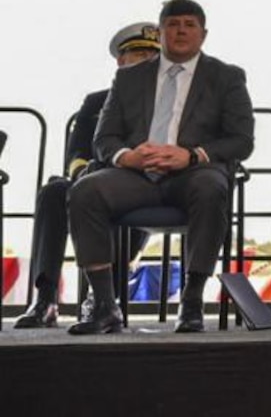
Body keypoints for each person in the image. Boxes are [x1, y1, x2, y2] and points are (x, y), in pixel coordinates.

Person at [66, 0, 255, 335]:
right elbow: (104, 138)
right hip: (137, 174)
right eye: (173, 24)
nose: (180, 30)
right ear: (161, 30)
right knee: (85, 191)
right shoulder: (129, 78)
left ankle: (192, 300)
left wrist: (192, 155)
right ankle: (105, 304)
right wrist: (127, 156)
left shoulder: (226, 77)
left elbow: (241, 140)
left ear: (203, 34)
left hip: (193, 172)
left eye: (189, 25)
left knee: (212, 188)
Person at [13, 22, 161, 328]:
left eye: (153, 55)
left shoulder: (168, 103)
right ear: (121, 60)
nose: (147, 61)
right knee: (53, 192)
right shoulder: (97, 102)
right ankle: (45, 298)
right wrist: (84, 173)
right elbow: (76, 153)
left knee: (119, 198)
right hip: (91, 179)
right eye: (139, 55)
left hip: (138, 186)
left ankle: (103, 297)